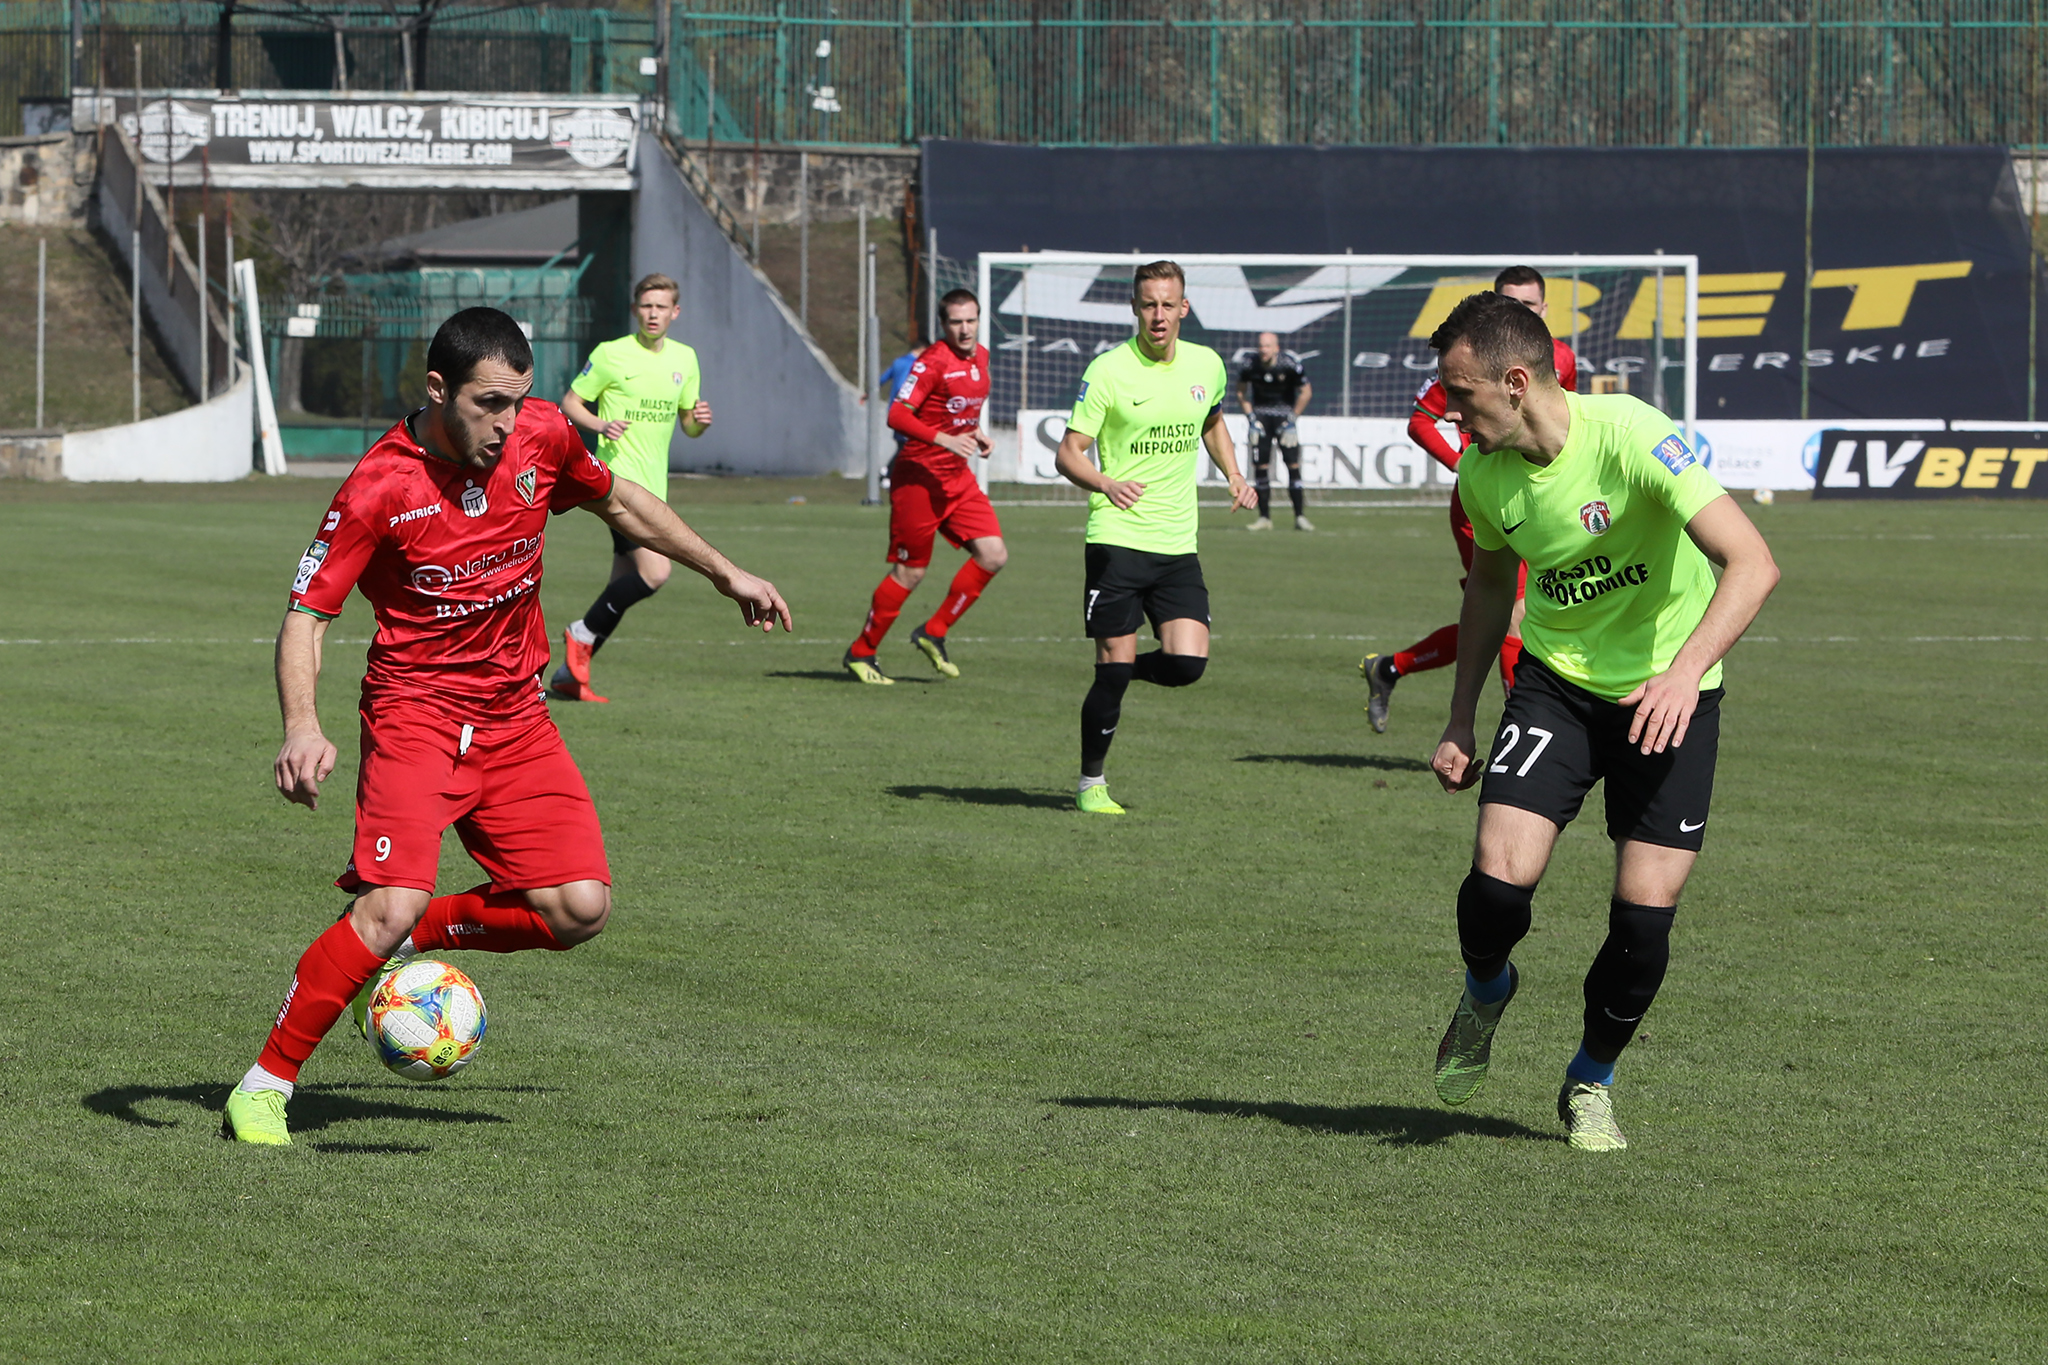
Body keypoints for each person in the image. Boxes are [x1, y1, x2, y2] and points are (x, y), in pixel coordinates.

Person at [222, 308, 790, 1146]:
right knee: (385, 905)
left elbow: (621, 501)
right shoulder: (380, 486)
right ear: (438, 389)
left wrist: (723, 570)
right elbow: (307, 615)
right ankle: (264, 1086)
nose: (507, 421)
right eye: (489, 403)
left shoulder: (542, 436)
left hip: (516, 716)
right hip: (417, 715)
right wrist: (300, 725)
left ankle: (414, 935)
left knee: (579, 908)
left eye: (518, 400)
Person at [1423, 291, 1778, 1151]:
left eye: (1461, 394)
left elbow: (1752, 562)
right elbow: (1488, 590)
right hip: (1556, 687)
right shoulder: (1483, 474)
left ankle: (1591, 1078)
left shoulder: (1631, 433)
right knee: (1497, 885)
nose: (1450, 413)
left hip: (1672, 697)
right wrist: (1461, 716)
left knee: (1643, 921)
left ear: (1515, 383)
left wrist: (1683, 675)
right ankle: (1486, 989)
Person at [1054, 260, 1258, 814]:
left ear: (1184, 308)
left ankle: (1119, 670)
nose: (1159, 315)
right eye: (1149, 305)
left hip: (1177, 546)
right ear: (1135, 308)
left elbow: (1211, 421)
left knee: (1187, 663)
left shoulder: (1206, 364)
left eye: (1168, 304)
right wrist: (1105, 483)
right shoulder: (1108, 371)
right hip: (1117, 538)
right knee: (1113, 669)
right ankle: (1091, 783)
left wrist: (1234, 474)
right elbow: (1068, 453)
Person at [1361, 265, 1579, 732]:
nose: (1518, 310)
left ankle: (1391, 667)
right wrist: (1462, 464)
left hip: (1543, 495)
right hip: (1486, 499)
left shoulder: (1561, 358)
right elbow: (1421, 421)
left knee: (1514, 615)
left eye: (1527, 305)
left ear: (1544, 309)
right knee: (1513, 611)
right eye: (1508, 302)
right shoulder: (1471, 361)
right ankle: (1523, 725)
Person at [549, 272, 714, 703]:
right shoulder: (610, 354)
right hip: (615, 481)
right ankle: (580, 633)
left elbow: (688, 424)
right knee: (657, 572)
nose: (653, 314)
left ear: (675, 312)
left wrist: (699, 422)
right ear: (635, 310)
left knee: (623, 582)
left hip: (655, 487)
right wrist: (600, 424)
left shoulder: (686, 359)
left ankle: (569, 675)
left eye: (661, 307)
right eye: (646, 306)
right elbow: (570, 403)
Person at [843, 290, 1005, 684]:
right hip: (918, 479)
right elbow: (897, 415)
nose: (964, 329)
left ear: (979, 320)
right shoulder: (932, 362)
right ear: (943, 324)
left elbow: (958, 411)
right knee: (910, 572)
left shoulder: (981, 357)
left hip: (957, 479)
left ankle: (933, 632)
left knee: (993, 555)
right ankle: (861, 652)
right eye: (956, 322)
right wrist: (945, 440)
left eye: (970, 320)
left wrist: (976, 434)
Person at [1236, 331, 1313, 531]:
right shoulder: (1250, 364)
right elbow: (1241, 391)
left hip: (1284, 418)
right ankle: (1264, 518)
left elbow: (1306, 392)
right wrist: (1251, 418)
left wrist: (1292, 419)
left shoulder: (1289, 365)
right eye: (1261, 346)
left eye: (1268, 346)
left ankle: (1300, 517)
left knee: (1293, 465)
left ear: (1276, 348)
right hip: (1261, 419)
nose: (1264, 350)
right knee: (1261, 468)